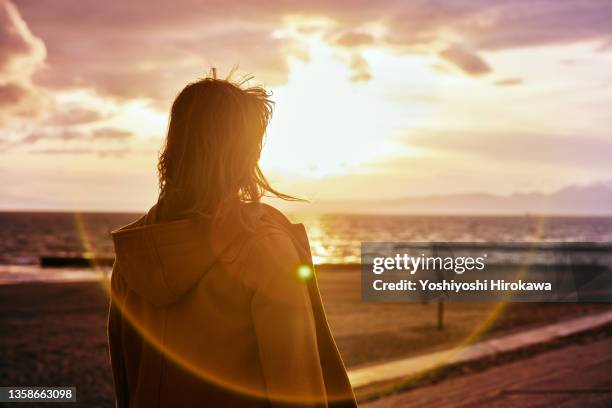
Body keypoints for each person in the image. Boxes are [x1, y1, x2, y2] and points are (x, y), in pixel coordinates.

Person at [107, 73, 357, 408]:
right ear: (245, 154)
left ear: (175, 147)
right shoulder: (262, 247)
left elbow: (126, 382)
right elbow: (296, 388)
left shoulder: (135, 252)